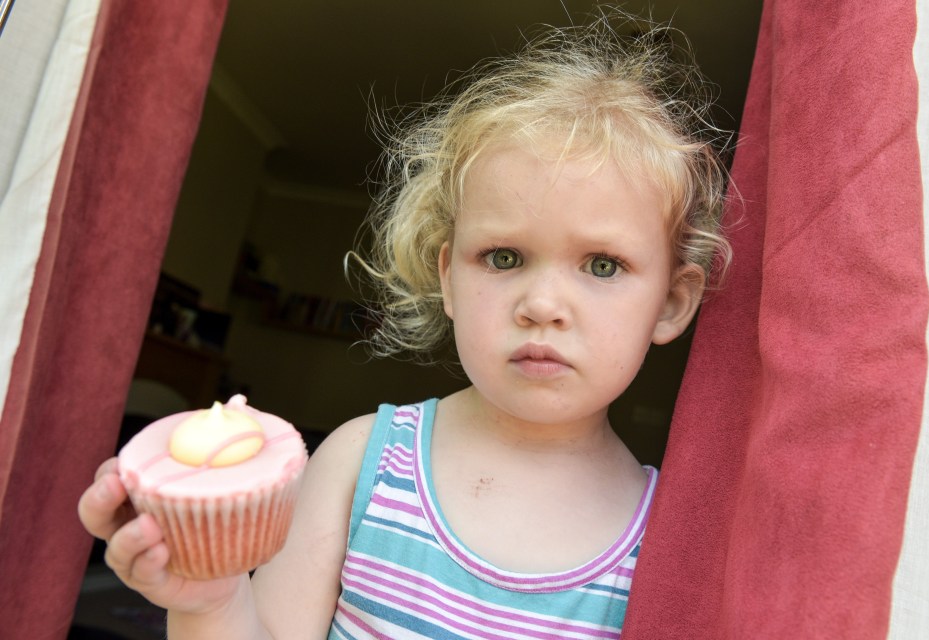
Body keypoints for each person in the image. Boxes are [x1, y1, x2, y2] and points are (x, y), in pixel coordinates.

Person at [79, 13, 731, 639]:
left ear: (672, 303)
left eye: (602, 264)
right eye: (503, 257)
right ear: (449, 277)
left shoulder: (669, 536)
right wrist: (208, 597)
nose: (542, 304)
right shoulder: (360, 461)